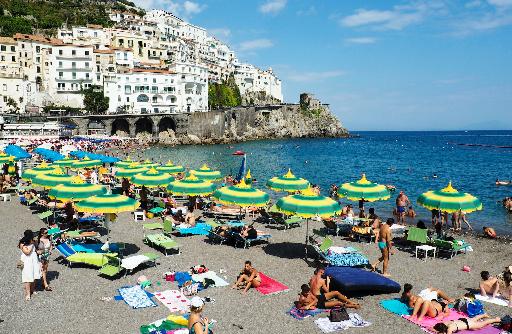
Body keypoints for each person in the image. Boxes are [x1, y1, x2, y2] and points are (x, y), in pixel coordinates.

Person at [19, 230, 41, 301]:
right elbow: (27, 252)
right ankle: (28, 294)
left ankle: (33, 289)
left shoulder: (33, 241)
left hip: (34, 260)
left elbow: (36, 250)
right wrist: (31, 244)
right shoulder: (22, 243)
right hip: (27, 261)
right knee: (27, 278)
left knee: (35, 276)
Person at [433, 314, 501, 333]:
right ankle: (483, 315)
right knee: (475, 318)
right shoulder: (446, 323)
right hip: (464, 320)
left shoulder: (450, 328)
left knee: (482, 324)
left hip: (469, 325)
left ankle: (496, 319)